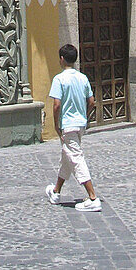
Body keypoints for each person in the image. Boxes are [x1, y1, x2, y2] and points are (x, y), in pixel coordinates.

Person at [45, 43, 102, 212]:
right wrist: (83, 113)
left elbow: (56, 105)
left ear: (62, 59)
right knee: (67, 158)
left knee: (76, 159)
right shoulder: (82, 78)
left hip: (67, 125)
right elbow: (91, 101)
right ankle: (56, 192)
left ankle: (92, 197)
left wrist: (56, 124)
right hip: (80, 124)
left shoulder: (59, 79)